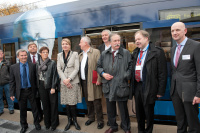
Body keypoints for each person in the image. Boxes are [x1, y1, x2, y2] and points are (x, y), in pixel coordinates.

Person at [131, 30, 167, 133]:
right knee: (139, 112)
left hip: (150, 86)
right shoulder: (135, 52)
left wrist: (160, 91)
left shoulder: (157, 52)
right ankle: (140, 131)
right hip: (137, 86)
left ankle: (148, 131)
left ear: (146, 38)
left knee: (149, 112)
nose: (137, 41)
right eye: (135, 39)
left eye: (139, 39)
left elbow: (162, 73)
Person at [97, 33, 133, 133]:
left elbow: (131, 67)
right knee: (110, 109)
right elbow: (98, 66)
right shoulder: (104, 54)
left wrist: (125, 76)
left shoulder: (126, 53)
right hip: (108, 86)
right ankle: (113, 127)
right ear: (110, 42)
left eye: (118, 40)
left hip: (121, 86)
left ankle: (126, 128)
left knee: (123, 110)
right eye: (115, 41)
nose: (117, 43)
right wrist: (103, 74)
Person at [170, 22, 200, 132]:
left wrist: (198, 93)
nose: (175, 33)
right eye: (172, 31)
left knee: (193, 123)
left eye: (177, 30)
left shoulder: (196, 46)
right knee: (180, 121)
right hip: (176, 91)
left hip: (190, 92)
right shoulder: (173, 49)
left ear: (185, 31)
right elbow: (175, 71)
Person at [10, 49, 41, 133]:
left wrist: (38, 90)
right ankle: (24, 126)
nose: (24, 57)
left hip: (31, 91)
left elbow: (36, 79)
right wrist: (11, 93)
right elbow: (12, 81)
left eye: (25, 55)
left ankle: (37, 123)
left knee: (35, 109)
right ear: (18, 57)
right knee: (22, 110)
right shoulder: (13, 67)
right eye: (22, 55)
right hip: (21, 92)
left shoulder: (33, 66)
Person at [79, 36, 104, 129]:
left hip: (94, 81)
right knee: (88, 101)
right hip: (84, 82)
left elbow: (100, 65)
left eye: (80, 42)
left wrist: (99, 79)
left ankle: (100, 120)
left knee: (96, 101)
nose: (79, 44)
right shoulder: (80, 55)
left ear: (85, 43)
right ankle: (91, 118)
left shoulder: (96, 52)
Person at [57, 38, 82, 131]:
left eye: (66, 44)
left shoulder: (75, 54)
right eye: (63, 44)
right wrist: (65, 80)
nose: (65, 45)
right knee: (67, 103)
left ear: (69, 45)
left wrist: (69, 79)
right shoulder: (59, 55)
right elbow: (59, 69)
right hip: (64, 83)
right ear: (61, 45)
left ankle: (75, 121)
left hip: (73, 82)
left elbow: (76, 68)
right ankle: (69, 121)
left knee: (72, 104)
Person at [36, 47, 59, 131]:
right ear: (40, 53)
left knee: (53, 105)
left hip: (50, 86)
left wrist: (53, 87)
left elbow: (54, 76)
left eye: (46, 52)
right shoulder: (37, 63)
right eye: (43, 52)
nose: (45, 53)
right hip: (41, 86)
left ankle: (54, 124)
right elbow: (37, 76)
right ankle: (47, 123)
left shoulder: (52, 63)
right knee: (45, 105)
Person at [27, 42, 43, 122]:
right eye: (31, 47)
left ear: (37, 48)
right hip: (31, 85)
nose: (33, 48)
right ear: (28, 49)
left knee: (44, 101)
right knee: (35, 102)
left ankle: (46, 116)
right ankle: (38, 117)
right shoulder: (25, 58)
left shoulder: (41, 56)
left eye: (34, 46)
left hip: (41, 83)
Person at [0, 50, 14, 115]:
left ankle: (11, 108)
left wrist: (10, 79)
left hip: (7, 82)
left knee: (9, 96)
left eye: (2, 53)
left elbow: (11, 72)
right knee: (0, 97)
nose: (1, 54)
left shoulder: (7, 62)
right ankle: (1, 109)